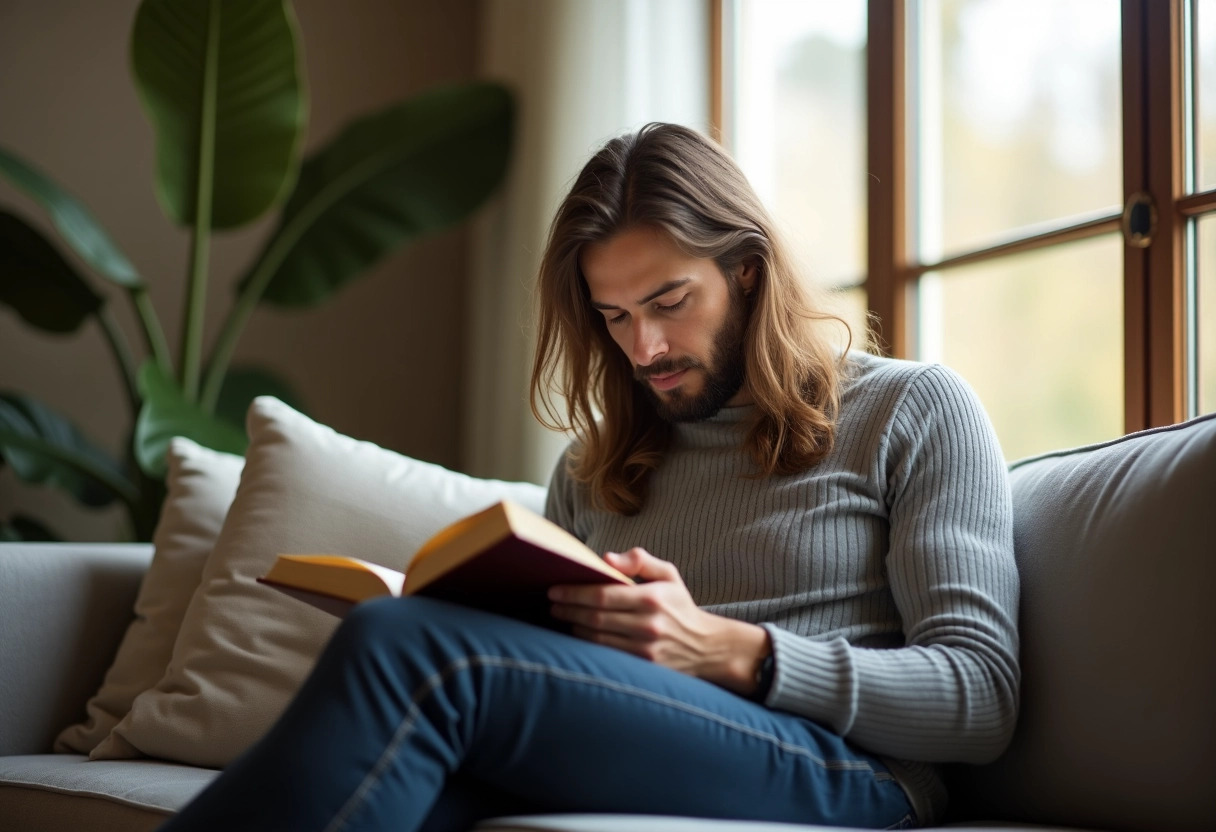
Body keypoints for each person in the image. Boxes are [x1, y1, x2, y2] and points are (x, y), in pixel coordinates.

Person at [158, 123, 1019, 832]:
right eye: (614, 317)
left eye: (670, 302)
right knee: (401, 766)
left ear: (747, 272)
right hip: (649, 735)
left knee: (407, 654)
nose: (644, 348)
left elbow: (981, 697)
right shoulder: (596, 465)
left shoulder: (912, 410)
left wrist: (726, 651)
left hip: (849, 770)